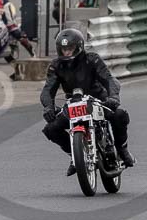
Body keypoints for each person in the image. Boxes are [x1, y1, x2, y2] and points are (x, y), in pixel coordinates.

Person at [40, 28, 135, 176]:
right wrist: (48, 107)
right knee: (50, 129)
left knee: (120, 115)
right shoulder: (56, 65)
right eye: (64, 49)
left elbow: (109, 79)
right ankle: (75, 156)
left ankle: (122, 149)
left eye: (70, 48)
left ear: (78, 47)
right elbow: (47, 89)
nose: (67, 53)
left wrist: (113, 98)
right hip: (74, 104)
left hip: (99, 101)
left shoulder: (92, 59)